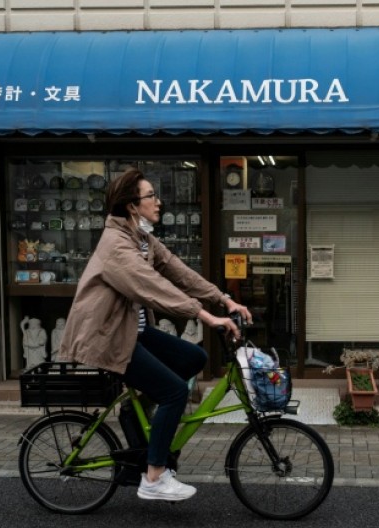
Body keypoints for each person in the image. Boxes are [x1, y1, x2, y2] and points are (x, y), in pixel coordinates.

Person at [58, 168, 251, 502]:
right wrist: (204, 315)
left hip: (133, 332)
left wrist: (223, 298)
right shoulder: (116, 245)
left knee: (195, 357)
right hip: (109, 338)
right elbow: (153, 287)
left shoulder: (142, 238)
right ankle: (154, 476)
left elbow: (178, 271)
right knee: (175, 392)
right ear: (133, 206)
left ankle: (139, 419)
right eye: (151, 196)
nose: (158, 202)